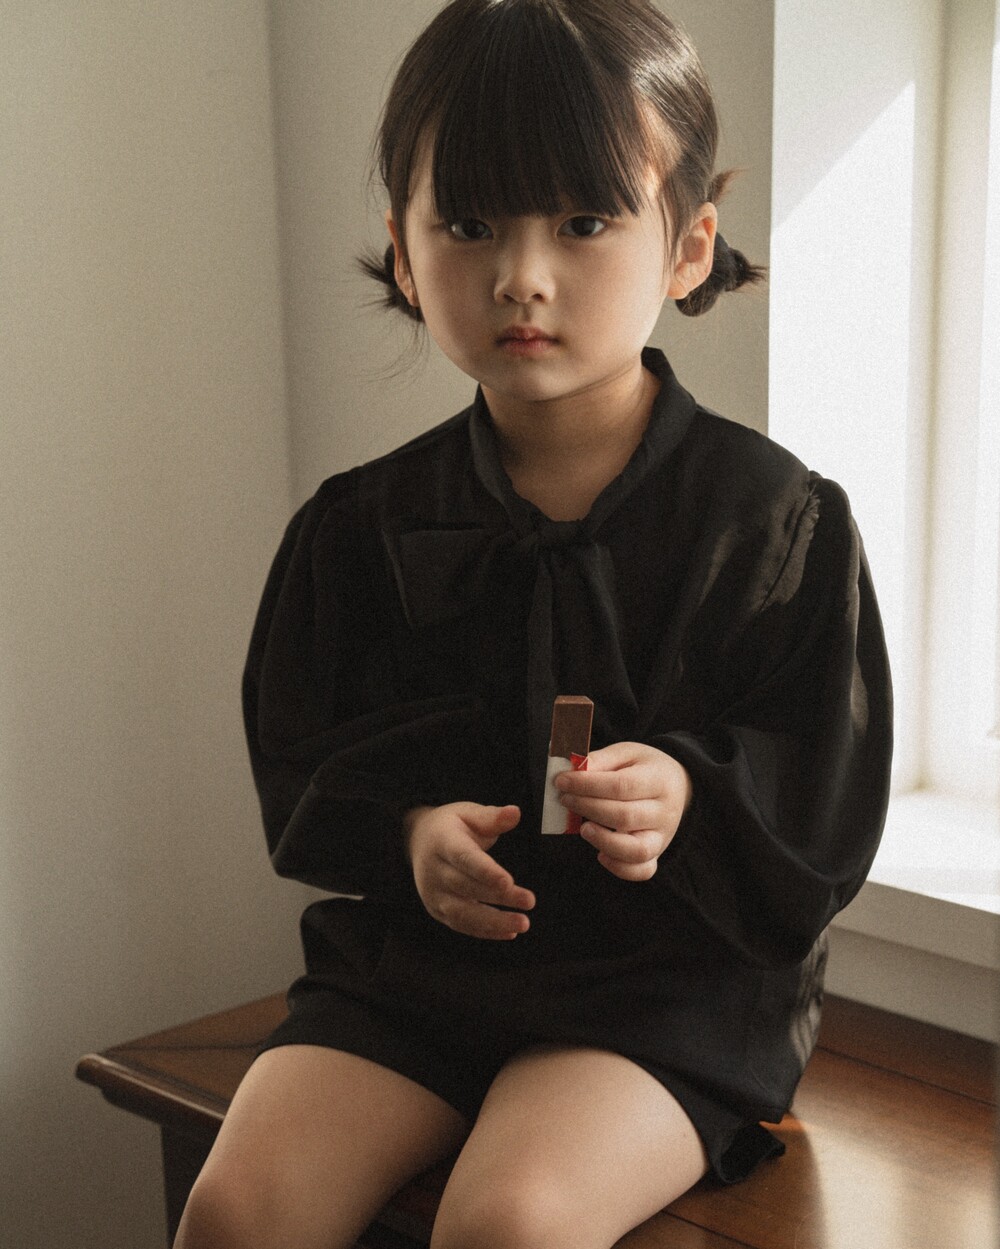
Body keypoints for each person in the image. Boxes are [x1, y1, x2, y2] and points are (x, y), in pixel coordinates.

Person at [175, 2, 892, 1246]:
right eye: (468, 225)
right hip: (420, 969)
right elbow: (303, 756)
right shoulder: (360, 525)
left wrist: (687, 789)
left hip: (665, 985)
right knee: (237, 1210)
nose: (520, 274)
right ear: (403, 253)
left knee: (509, 1222)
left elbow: (823, 790)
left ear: (687, 246)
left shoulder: (775, 521)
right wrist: (412, 833)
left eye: (582, 222)